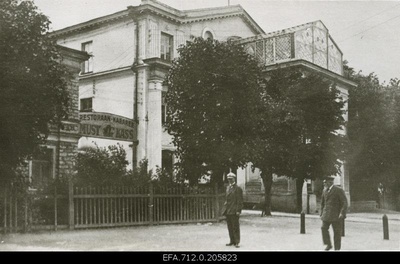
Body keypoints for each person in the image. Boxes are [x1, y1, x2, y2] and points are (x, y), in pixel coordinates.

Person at [320, 176, 348, 251]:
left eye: (325, 182)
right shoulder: (324, 190)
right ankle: (328, 244)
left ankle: (337, 249)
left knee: (337, 233)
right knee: (323, 228)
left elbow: (344, 202)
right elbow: (322, 203)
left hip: (336, 215)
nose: (324, 184)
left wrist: (342, 213)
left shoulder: (338, 190)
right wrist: (321, 213)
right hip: (326, 214)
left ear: (330, 182)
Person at [222, 172, 243, 248]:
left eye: (231, 179)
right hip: (228, 210)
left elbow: (240, 201)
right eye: (228, 179)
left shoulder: (238, 188)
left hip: (234, 210)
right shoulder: (228, 188)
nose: (229, 181)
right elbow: (227, 199)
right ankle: (232, 241)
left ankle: (237, 242)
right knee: (230, 226)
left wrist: (238, 210)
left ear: (234, 179)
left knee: (235, 226)